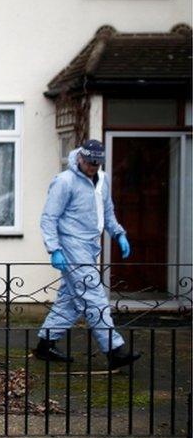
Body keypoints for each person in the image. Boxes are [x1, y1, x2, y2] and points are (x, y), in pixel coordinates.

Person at [35, 139, 141, 370]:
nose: (92, 167)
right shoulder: (64, 182)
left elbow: (108, 211)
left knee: (71, 300)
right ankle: (115, 351)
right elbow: (49, 218)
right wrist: (54, 249)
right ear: (80, 158)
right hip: (72, 249)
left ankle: (45, 345)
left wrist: (118, 234)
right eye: (89, 162)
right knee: (94, 298)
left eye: (97, 163)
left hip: (90, 247)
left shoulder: (103, 180)